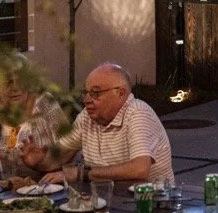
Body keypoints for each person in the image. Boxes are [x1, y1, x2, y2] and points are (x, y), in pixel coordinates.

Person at [22, 62, 175, 186]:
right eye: (86, 93)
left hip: (151, 206)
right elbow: (58, 159)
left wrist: (83, 174)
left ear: (120, 93)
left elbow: (139, 169)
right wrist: (39, 162)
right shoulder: (86, 118)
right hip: (106, 201)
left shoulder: (138, 113)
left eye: (95, 93)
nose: (87, 100)